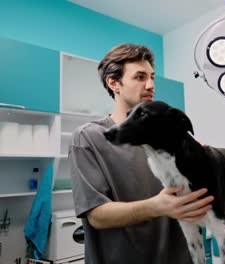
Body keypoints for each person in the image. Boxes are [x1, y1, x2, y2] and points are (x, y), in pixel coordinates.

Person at [69, 43, 214, 264]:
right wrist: (156, 206)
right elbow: (97, 215)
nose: (150, 85)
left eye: (152, 77)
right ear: (114, 83)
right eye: (139, 77)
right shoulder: (89, 137)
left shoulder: (171, 135)